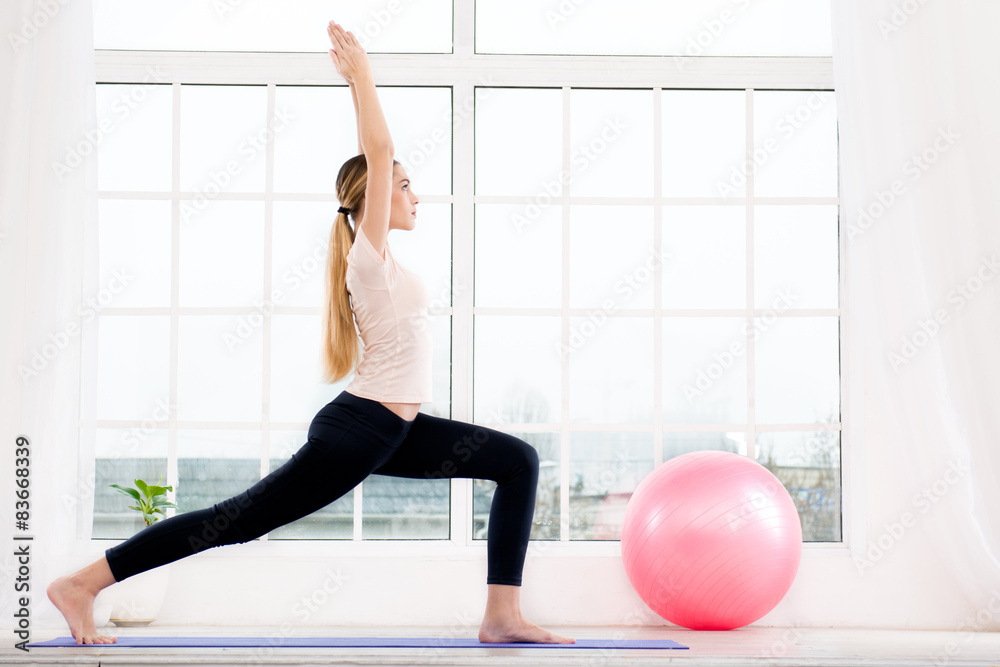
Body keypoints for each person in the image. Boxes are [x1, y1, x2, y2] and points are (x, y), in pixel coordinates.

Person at [46, 21, 575, 646]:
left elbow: (372, 159)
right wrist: (362, 76)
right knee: (235, 520)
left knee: (517, 461)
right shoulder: (368, 261)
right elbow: (377, 155)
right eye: (403, 185)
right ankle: (82, 584)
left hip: (394, 430)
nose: (412, 193)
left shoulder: (386, 263)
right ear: (371, 201)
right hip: (360, 431)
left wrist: (356, 89)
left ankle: (502, 615)